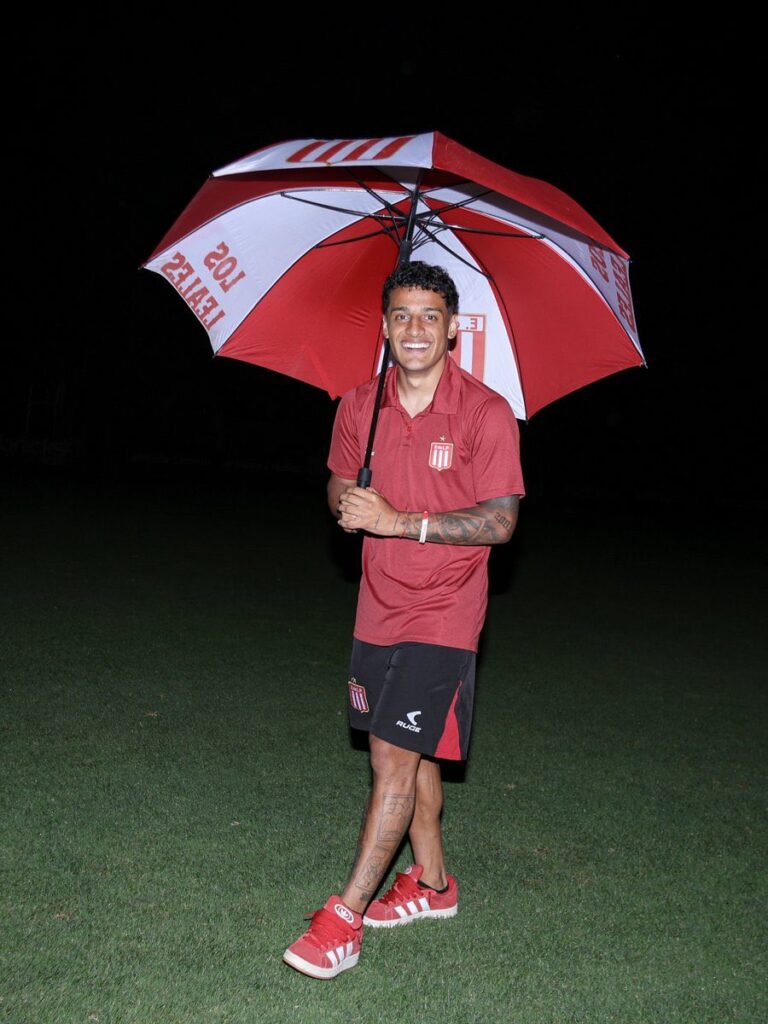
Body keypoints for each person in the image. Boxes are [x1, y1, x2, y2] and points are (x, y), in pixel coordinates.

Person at [283, 262, 525, 979]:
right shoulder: (359, 406)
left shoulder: (484, 411)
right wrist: (346, 504)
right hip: (377, 606)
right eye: (401, 315)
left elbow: (501, 522)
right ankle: (434, 883)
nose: (414, 328)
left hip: (446, 609)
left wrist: (401, 521)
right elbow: (336, 480)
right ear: (385, 327)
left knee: (391, 755)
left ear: (452, 330)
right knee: (408, 752)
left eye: (429, 316)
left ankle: (344, 917)